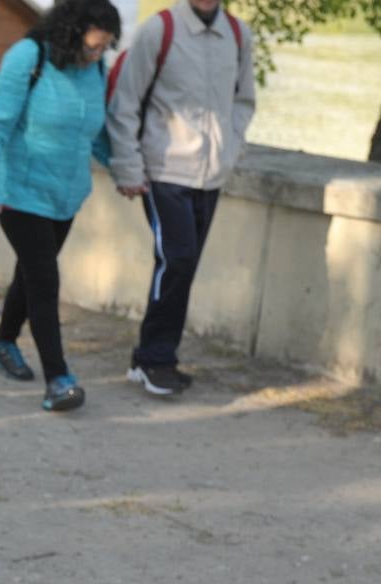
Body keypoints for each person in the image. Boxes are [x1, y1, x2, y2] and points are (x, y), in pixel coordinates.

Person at [0, 0, 120, 411]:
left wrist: (127, 171)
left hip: (66, 195)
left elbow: (96, 134)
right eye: (92, 46)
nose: (96, 55)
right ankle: (58, 378)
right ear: (70, 32)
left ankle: (2, 342)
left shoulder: (95, 69)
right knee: (44, 280)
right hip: (19, 193)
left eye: (104, 48)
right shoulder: (29, 56)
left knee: (31, 272)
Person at [106, 0, 255, 395]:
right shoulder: (159, 29)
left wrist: (231, 148)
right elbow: (126, 103)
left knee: (182, 266)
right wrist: (129, 168)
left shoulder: (239, 35)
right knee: (177, 259)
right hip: (164, 171)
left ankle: (149, 359)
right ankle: (156, 358)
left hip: (211, 177)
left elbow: (244, 101)